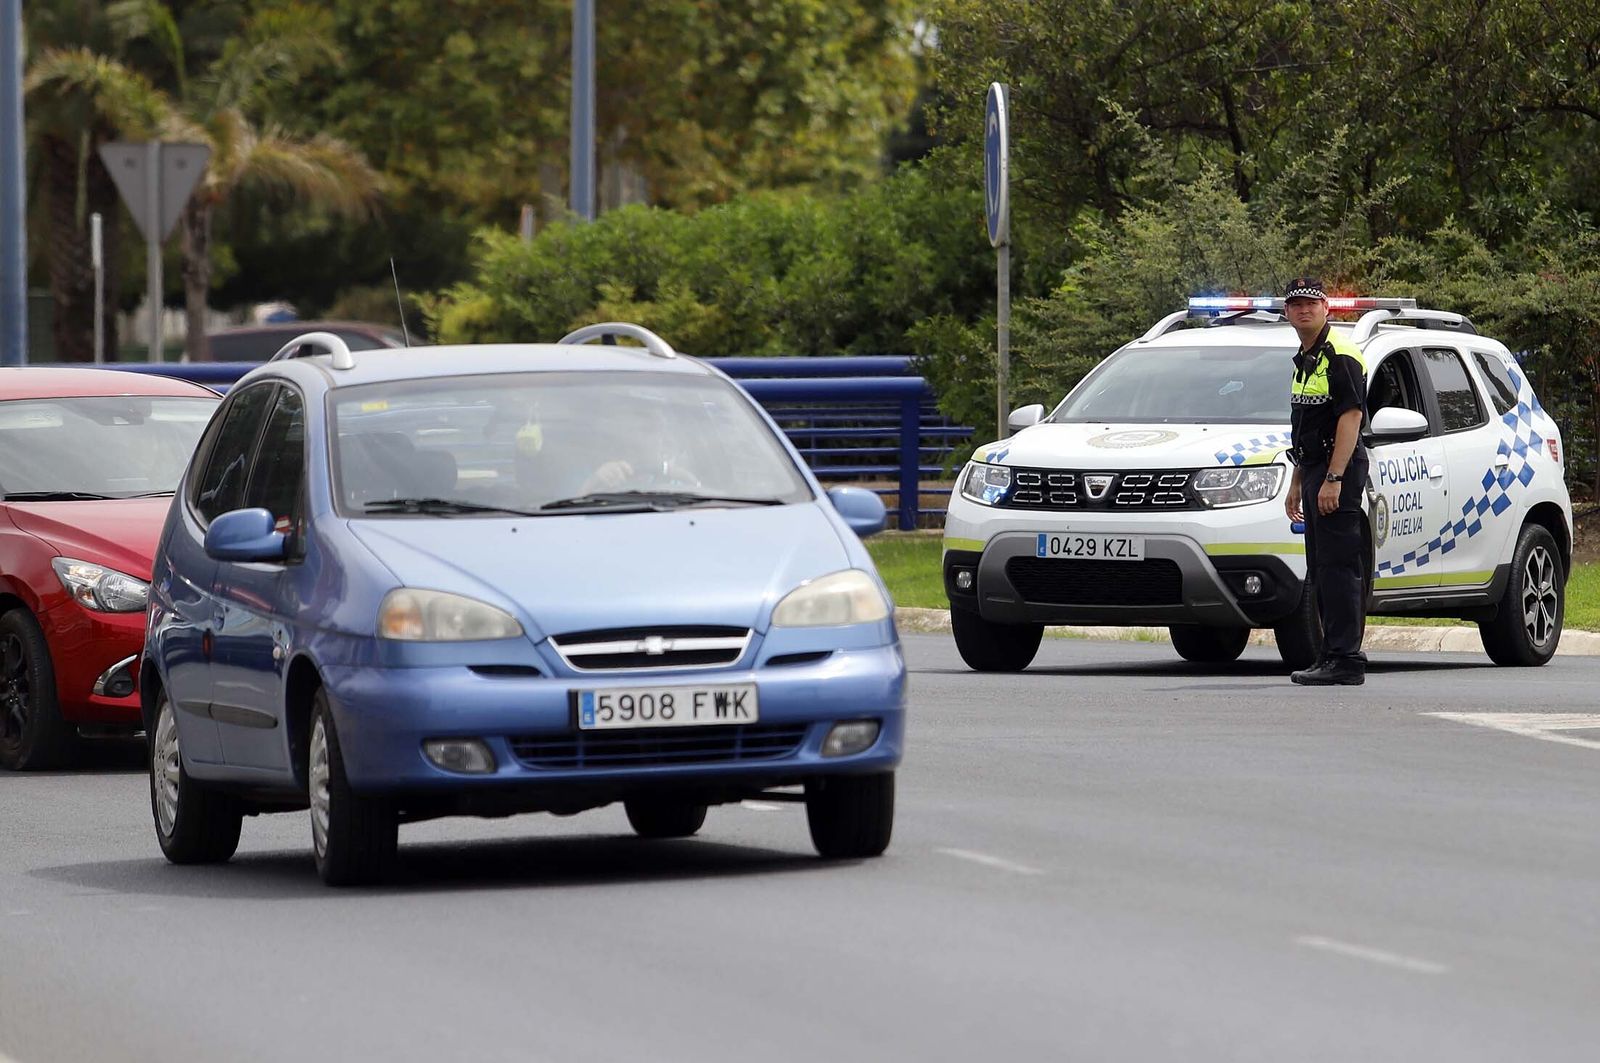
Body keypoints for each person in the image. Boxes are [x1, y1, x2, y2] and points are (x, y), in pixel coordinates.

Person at [1282, 277, 1369, 686]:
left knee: (1339, 567)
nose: (1304, 310)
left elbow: (1350, 418)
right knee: (1322, 567)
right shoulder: (1304, 359)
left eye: (1311, 303)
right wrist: (1300, 480)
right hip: (1316, 468)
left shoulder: (1341, 355)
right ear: (1287, 313)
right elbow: (1306, 425)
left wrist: (1334, 478)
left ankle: (1346, 659)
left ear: (1326, 308)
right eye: (1296, 304)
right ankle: (1329, 655)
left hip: (1340, 468)